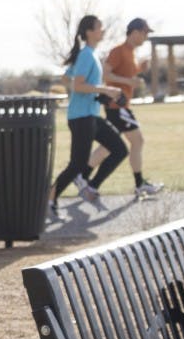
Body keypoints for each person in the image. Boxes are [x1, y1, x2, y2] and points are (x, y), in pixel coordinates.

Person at [48, 15, 128, 216]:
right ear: (90, 32)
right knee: (77, 164)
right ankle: (50, 196)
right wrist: (104, 91)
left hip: (89, 115)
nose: (103, 31)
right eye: (100, 28)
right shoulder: (86, 55)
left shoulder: (88, 54)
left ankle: (91, 186)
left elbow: (67, 78)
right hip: (81, 117)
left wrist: (94, 94)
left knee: (119, 149)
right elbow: (77, 84)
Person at [87, 17, 163, 198]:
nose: (146, 37)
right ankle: (139, 184)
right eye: (145, 33)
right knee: (138, 141)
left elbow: (124, 74)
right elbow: (106, 73)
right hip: (117, 105)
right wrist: (129, 80)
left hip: (120, 105)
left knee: (107, 147)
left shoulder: (131, 53)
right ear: (135, 32)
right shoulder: (118, 51)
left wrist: (138, 71)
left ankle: (81, 176)